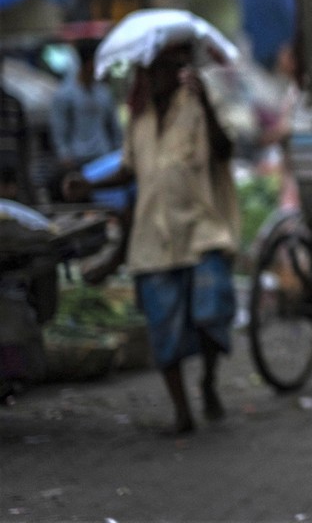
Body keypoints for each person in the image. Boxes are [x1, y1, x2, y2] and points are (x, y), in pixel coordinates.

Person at [64, 43, 239, 436]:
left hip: (200, 228)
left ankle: (209, 380)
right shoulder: (138, 117)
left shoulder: (197, 105)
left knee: (212, 312)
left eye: (169, 68)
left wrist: (207, 103)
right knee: (163, 328)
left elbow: (225, 150)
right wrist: (89, 184)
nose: (160, 76)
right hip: (151, 236)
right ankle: (182, 412)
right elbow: (129, 171)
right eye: (153, 69)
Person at [49, 39, 123, 200]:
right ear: (89, 63)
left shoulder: (103, 93)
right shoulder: (65, 94)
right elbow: (59, 130)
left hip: (103, 159)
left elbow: (113, 127)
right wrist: (65, 157)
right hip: (78, 162)